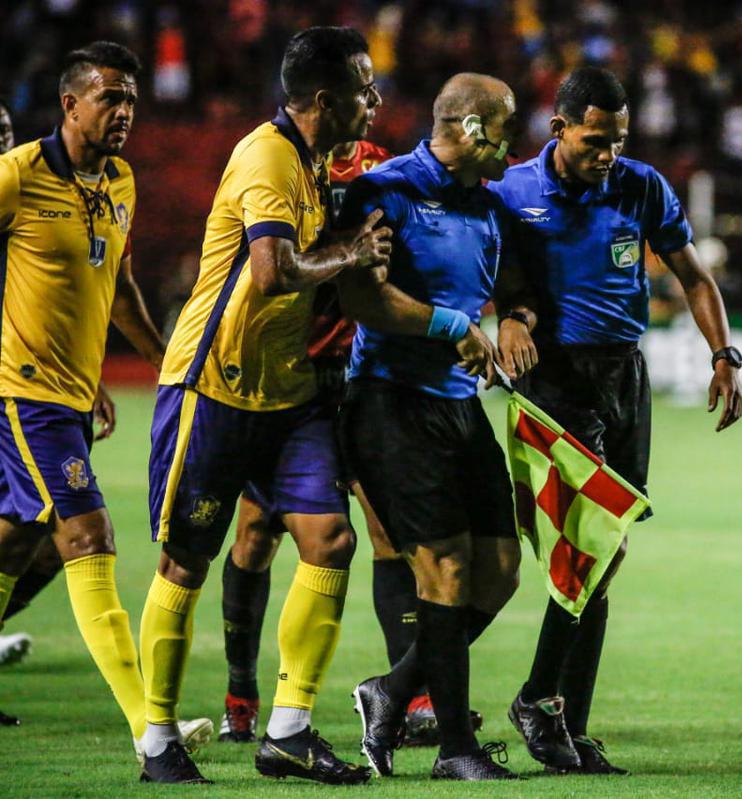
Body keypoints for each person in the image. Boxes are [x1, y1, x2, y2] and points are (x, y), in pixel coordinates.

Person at [138, 27, 386, 784]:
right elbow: (274, 270)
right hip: (214, 387)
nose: (374, 102)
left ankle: (290, 729)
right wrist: (350, 252)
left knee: (331, 541)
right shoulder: (268, 156)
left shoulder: (312, 165)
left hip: (290, 392)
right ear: (322, 100)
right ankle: (156, 740)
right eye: (363, 89)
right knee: (187, 560)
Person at [488, 66, 742, 775]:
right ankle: (540, 700)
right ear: (559, 128)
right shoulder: (512, 191)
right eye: (596, 140)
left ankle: (563, 717)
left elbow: (694, 276)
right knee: (589, 547)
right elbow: (485, 270)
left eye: (619, 141)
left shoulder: (642, 185)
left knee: (605, 551)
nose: (609, 154)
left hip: (624, 377)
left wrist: (723, 353)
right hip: (555, 375)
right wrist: (506, 316)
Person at [0, 42, 194, 755]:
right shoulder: (15, 176)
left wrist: (161, 361)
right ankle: (153, 735)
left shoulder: (121, 180)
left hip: (72, 398)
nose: (125, 112)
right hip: (22, 395)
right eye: (111, 97)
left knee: (17, 542)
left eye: (133, 100)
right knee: (89, 538)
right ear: (69, 103)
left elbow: (115, 283)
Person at [338, 72, 530, 781]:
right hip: (392, 399)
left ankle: (390, 688)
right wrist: (452, 324)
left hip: (457, 404)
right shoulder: (385, 191)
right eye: (504, 125)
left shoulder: (486, 206)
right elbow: (362, 295)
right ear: (472, 127)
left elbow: (514, 288)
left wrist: (512, 318)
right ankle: (455, 748)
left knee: (502, 570)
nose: (513, 140)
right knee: (445, 568)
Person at [213, 135, 415, 745]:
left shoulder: (381, 169)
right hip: (293, 378)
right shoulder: (282, 165)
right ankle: (241, 690)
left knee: (385, 529)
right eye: (361, 89)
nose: (371, 100)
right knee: (256, 533)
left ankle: (414, 695)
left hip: (360, 377)